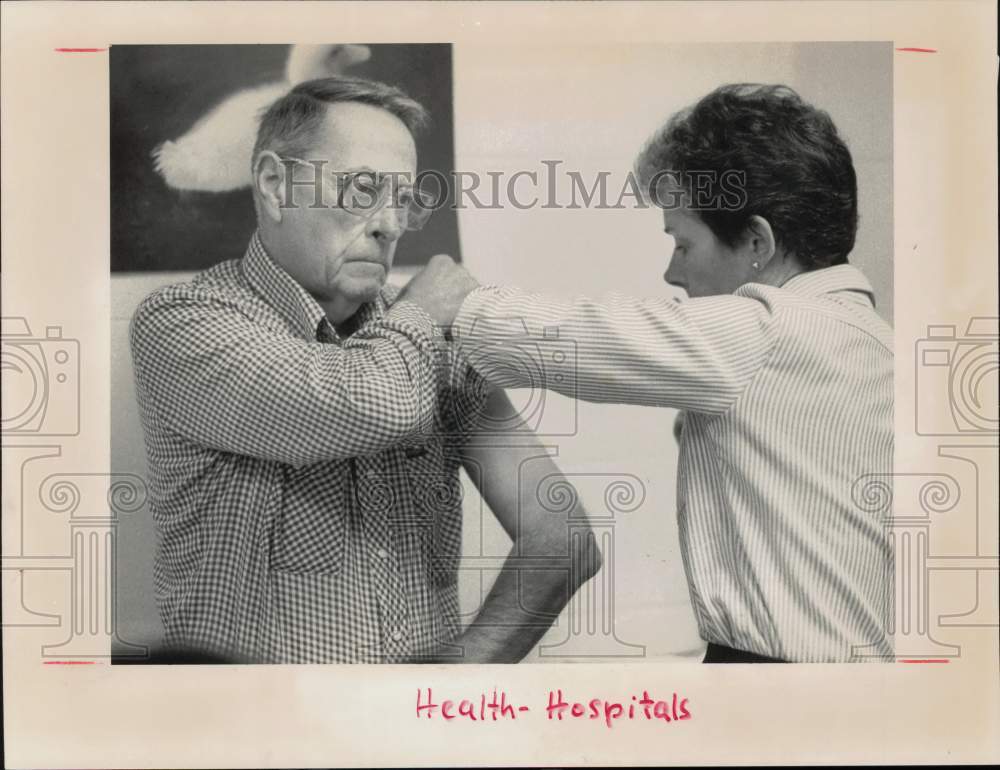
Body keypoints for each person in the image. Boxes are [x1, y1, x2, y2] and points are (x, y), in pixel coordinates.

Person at [401, 84, 894, 663]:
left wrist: (457, 305)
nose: (670, 272)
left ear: (758, 242)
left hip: (790, 694)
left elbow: (600, 336)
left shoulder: (773, 330)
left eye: (682, 244)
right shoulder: (874, 343)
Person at [129, 76, 601, 664]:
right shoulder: (184, 323)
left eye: (403, 198)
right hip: (257, 736)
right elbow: (375, 404)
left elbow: (562, 537)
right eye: (362, 190)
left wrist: (460, 674)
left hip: (413, 741)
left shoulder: (430, 331)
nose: (390, 224)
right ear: (276, 186)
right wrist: (425, 315)